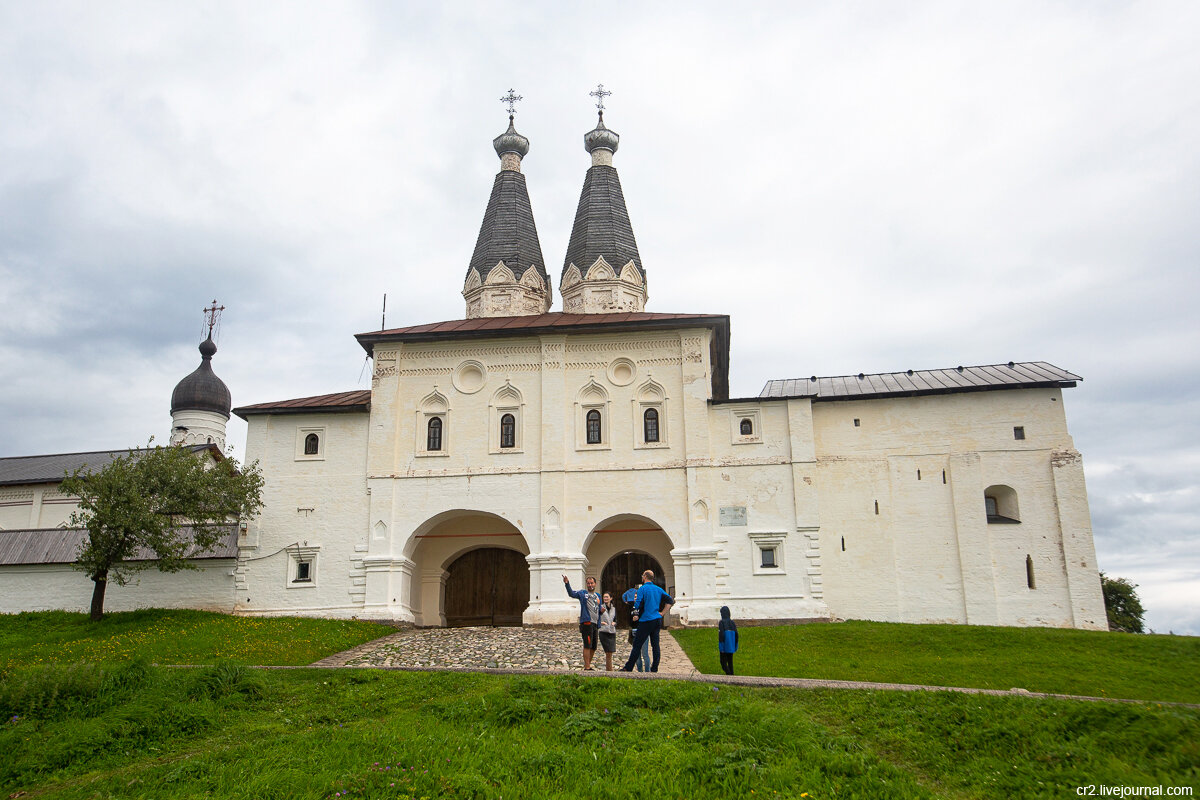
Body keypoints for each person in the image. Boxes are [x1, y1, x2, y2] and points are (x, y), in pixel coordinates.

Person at [620, 570, 673, 672]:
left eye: (642, 575)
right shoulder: (658, 589)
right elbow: (670, 600)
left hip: (646, 620)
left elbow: (638, 604)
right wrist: (662, 613)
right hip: (656, 619)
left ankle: (628, 667)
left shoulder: (642, 589)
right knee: (655, 645)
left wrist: (635, 612)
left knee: (637, 644)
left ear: (644, 577)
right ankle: (654, 668)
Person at [563, 574, 601, 670]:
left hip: (595, 624)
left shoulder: (598, 596)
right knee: (587, 645)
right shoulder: (583, 593)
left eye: (591, 583)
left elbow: (599, 609)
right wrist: (567, 583)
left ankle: (587, 665)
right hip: (587, 623)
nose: (590, 585)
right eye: (588, 583)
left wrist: (602, 610)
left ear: (595, 584)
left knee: (594, 647)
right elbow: (571, 593)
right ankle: (587, 667)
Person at [622, 585, 651, 672]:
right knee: (637, 654)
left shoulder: (644, 607)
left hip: (643, 632)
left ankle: (648, 672)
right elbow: (630, 621)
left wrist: (639, 618)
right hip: (634, 632)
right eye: (634, 597)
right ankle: (639, 671)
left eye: (637, 597)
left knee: (645, 654)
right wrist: (632, 620)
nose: (635, 598)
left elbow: (647, 619)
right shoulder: (632, 608)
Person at [597, 592, 618, 671]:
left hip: (612, 632)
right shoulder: (600, 607)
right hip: (603, 631)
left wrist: (614, 623)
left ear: (611, 598)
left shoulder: (614, 609)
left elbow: (616, 619)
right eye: (604, 597)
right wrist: (600, 622)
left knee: (610, 652)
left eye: (607, 597)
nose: (605, 598)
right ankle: (609, 670)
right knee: (608, 652)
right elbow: (596, 617)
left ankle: (609, 670)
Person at [718, 605, 738, 675]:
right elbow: (736, 634)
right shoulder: (732, 623)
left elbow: (721, 635)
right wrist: (735, 645)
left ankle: (729, 674)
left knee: (723, 662)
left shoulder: (721, 623)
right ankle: (731, 675)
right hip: (731, 646)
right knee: (730, 662)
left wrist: (721, 647)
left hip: (725, 645)